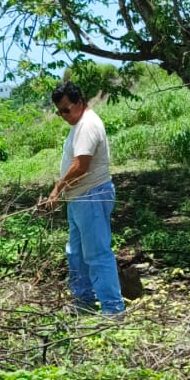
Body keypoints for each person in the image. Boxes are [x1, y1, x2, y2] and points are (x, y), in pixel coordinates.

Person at [41, 81, 125, 318]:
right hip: (78, 199)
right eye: (59, 112)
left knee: (97, 254)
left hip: (91, 196)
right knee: (76, 254)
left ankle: (113, 310)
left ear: (79, 102)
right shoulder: (78, 124)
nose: (63, 115)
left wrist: (57, 189)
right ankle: (84, 300)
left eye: (66, 109)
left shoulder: (87, 125)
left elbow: (81, 166)